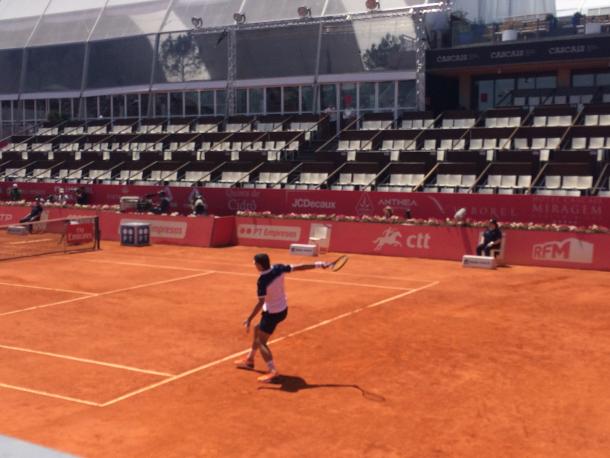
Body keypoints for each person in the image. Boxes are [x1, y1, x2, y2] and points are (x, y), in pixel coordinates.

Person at [235, 253, 331, 383]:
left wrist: (249, 318)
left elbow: (260, 302)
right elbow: (300, 267)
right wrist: (320, 264)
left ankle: (273, 371)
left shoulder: (262, 280)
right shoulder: (278, 268)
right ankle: (250, 359)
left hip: (272, 314)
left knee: (261, 341)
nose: (254, 266)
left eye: (255, 264)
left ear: (259, 265)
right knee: (257, 329)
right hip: (282, 309)